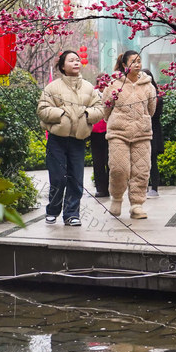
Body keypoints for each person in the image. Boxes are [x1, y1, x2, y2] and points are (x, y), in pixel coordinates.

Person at [36, 50, 104, 226]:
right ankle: (52, 210)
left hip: (78, 140)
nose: (76, 62)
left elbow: (100, 109)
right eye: (71, 60)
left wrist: (87, 114)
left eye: (77, 60)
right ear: (63, 66)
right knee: (58, 178)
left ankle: (72, 214)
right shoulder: (52, 87)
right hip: (57, 140)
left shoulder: (89, 87)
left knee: (76, 178)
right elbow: (42, 110)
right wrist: (61, 114)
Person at [103, 50, 156, 219]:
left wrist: (142, 120)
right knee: (119, 168)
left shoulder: (148, 85)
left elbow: (151, 110)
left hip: (142, 132)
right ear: (125, 65)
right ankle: (117, 198)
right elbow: (106, 107)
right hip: (118, 132)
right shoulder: (114, 84)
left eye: (139, 61)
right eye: (133, 61)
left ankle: (137, 205)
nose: (138, 64)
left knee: (141, 170)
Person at [142, 69, 164, 198]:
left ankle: (154, 187)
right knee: (141, 161)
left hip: (153, 131)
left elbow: (154, 114)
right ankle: (143, 186)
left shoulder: (157, 97)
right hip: (142, 130)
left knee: (152, 160)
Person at [89, 81, 110, 198]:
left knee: (110, 161)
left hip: (109, 131)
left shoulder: (113, 94)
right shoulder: (92, 94)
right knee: (98, 162)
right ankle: (100, 188)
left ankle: (110, 186)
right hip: (95, 132)